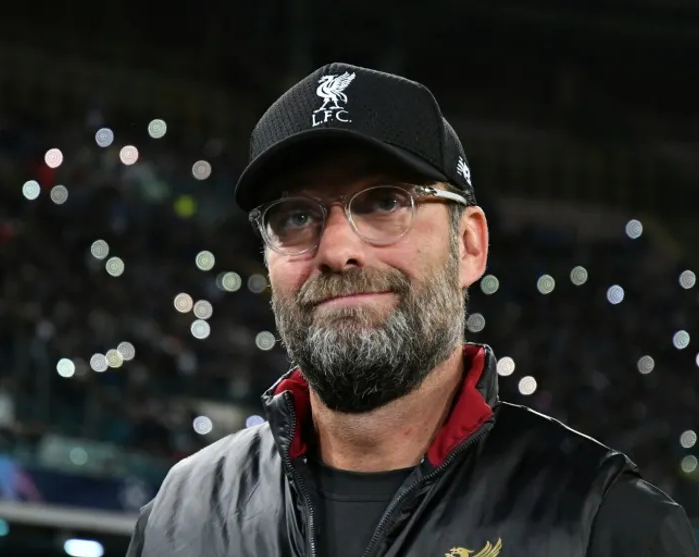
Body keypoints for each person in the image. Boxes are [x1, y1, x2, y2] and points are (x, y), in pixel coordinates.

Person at [127, 63, 698, 556]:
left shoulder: (604, 523)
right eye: (295, 217)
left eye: (384, 202)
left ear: (469, 245)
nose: (336, 250)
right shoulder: (180, 518)